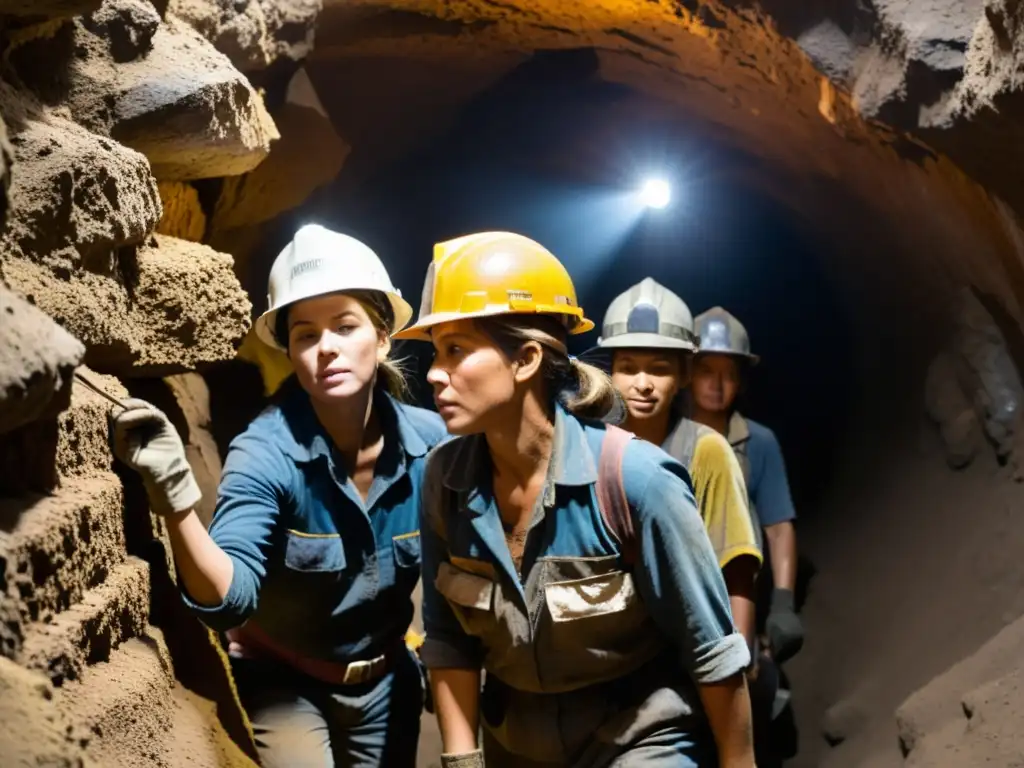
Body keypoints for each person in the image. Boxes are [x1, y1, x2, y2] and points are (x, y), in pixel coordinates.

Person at [395, 231, 756, 768]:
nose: (433, 374)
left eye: (456, 351)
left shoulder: (637, 480)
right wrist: (462, 762)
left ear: (527, 359)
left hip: (639, 737)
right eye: (435, 352)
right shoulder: (444, 479)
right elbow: (449, 639)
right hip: (517, 742)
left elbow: (712, 649)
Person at [108, 223, 448, 768]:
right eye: (306, 335)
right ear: (289, 350)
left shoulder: (432, 444)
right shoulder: (266, 453)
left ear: (382, 338)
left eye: (344, 326)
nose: (326, 349)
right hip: (286, 683)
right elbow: (229, 600)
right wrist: (172, 492)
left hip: (386, 683)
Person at [594, 278, 762, 660]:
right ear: (610, 372)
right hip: (601, 652)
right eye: (628, 367)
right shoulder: (588, 445)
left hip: (680, 651)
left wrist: (738, 662)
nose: (642, 384)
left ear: (683, 375)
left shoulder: (704, 450)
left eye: (658, 368)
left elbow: (736, 567)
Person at [690, 306, 804, 667]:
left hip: (736, 597)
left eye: (728, 374)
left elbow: (778, 526)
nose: (717, 383)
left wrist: (783, 603)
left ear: (740, 383)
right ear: (687, 374)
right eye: (706, 370)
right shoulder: (662, 435)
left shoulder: (759, 442)